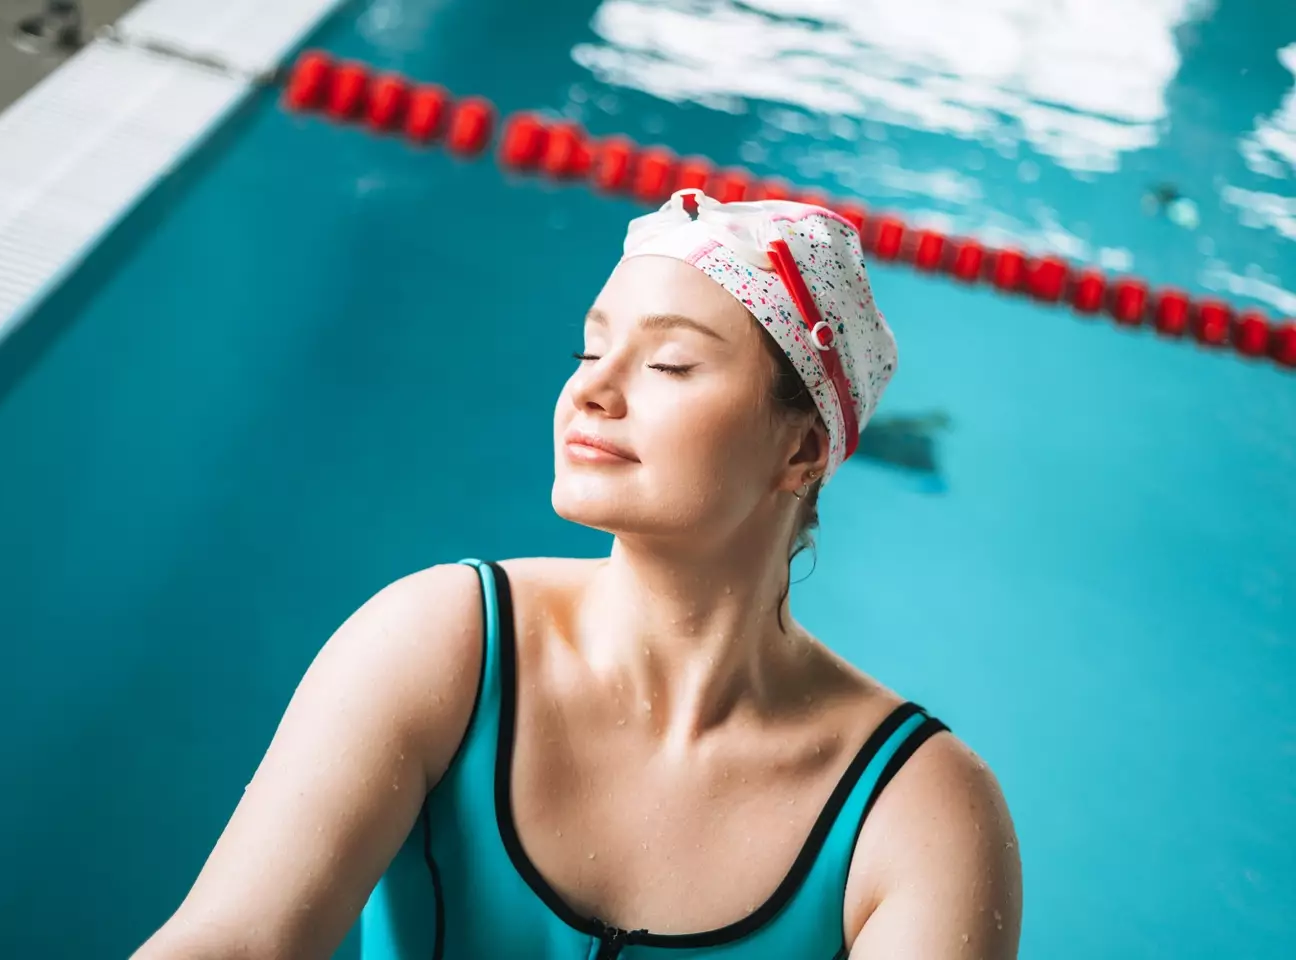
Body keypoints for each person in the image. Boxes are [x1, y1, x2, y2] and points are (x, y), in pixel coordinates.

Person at [133, 190, 1022, 960]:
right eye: (589, 353)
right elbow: (238, 940)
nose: (590, 393)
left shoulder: (921, 813)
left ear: (802, 447)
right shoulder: (442, 646)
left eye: (670, 363)